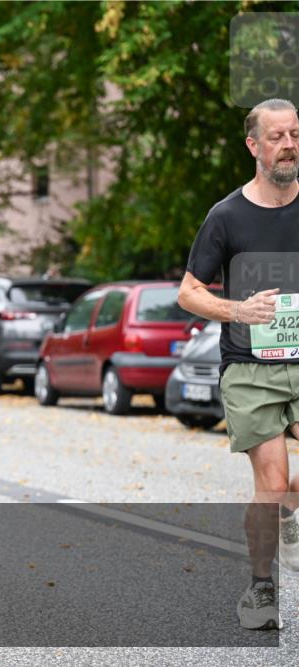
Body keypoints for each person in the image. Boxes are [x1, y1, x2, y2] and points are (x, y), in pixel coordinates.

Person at [177, 98, 299, 631]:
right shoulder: (226, 216)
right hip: (250, 366)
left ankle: (287, 519)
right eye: (276, 136)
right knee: (273, 480)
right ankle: (261, 588)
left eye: (295, 134)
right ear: (254, 146)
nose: (289, 145)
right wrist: (237, 310)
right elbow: (188, 293)